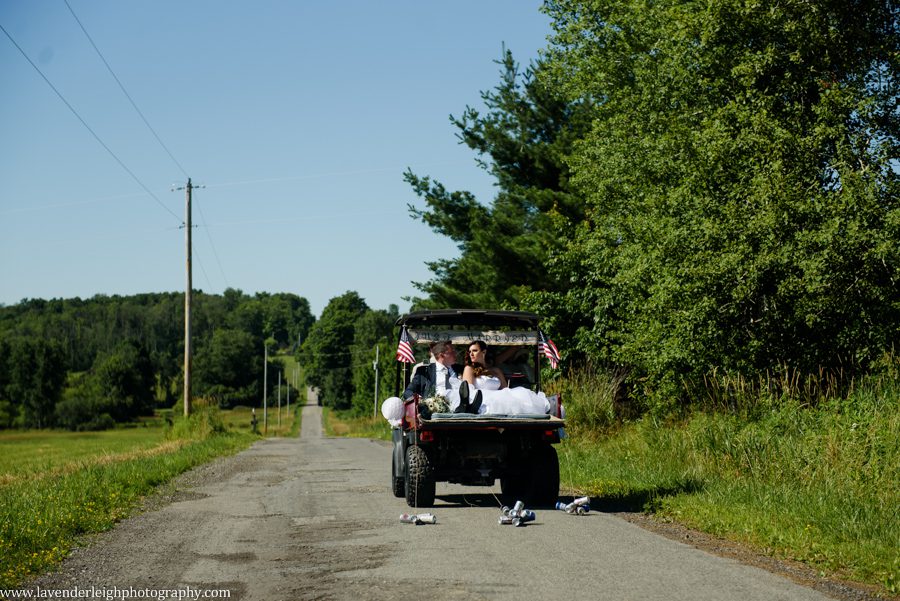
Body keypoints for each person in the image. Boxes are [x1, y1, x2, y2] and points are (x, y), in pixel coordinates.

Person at [462, 340, 550, 415]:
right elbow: (469, 392)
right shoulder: (469, 369)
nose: (471, 354)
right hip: (481, 402)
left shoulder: (495, 370)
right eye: (470, 352)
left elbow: (505, 390)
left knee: (523, 396)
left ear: (484, 352)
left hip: (499, 401)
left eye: (474, 351)